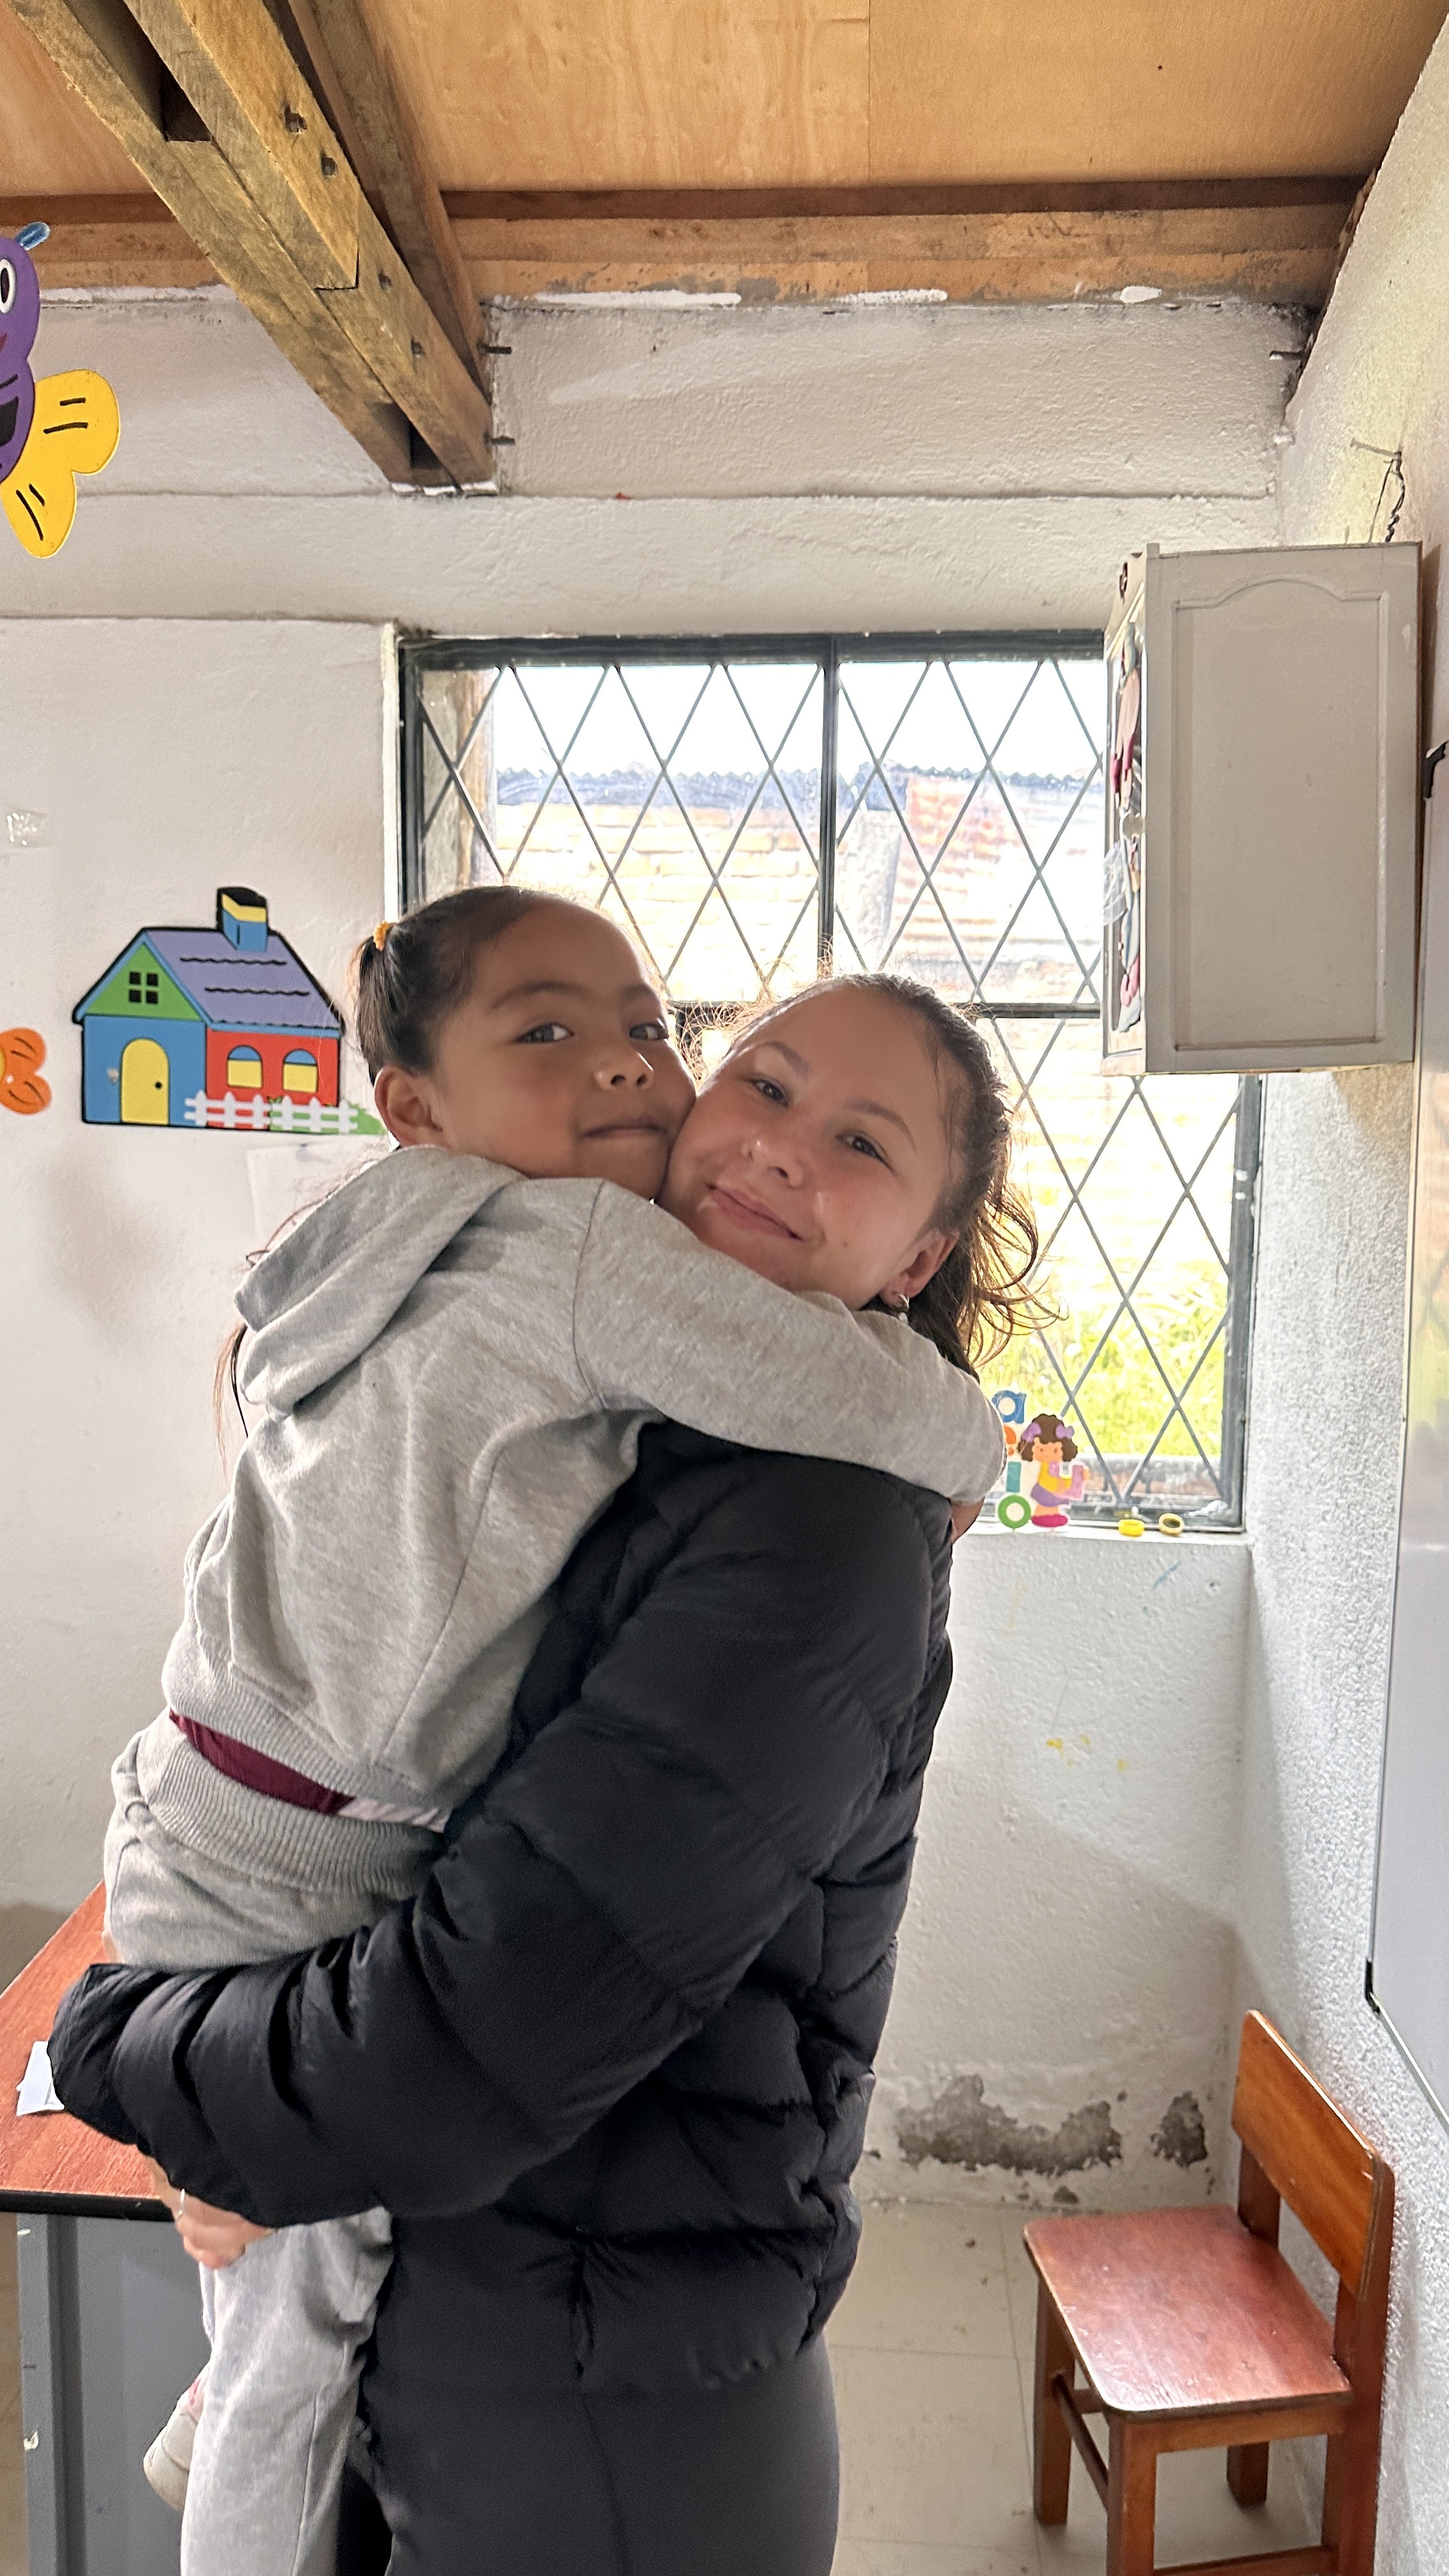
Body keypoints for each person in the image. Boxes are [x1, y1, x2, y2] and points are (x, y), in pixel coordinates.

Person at [53, 956, 1041, 2576]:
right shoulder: (623, 1413)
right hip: (508, 2319)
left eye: (862, 1143)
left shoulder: (817, 1531)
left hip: (600, 2414)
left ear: (920, 1258)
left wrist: (122, 2050)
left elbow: (462, 2052)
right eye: (765, 1082)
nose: (781, 1144)